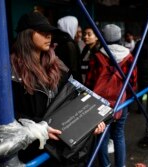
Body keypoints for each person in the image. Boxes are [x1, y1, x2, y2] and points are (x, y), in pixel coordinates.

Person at [10, 12, 105, 166]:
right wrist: (38, 128)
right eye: (42, 32)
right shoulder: (11, 70)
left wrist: (90, 120)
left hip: (62, 146)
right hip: (36, 150)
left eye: (50, 33)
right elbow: (7, 115)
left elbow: (73, 98)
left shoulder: (56, 64)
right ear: (26, 35)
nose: (49, 36)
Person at [85, 24, 137, 167]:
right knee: (119, 135)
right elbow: (133, 82)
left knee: (102, 136)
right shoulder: (129, 56)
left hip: (100, 104)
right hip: (121, 102)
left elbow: (90, 82)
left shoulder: (97, 56)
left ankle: (105, 165)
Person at [54, 15, 82, 82]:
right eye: (75, 26)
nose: (76, 29)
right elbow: (73, 68)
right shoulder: (69, 44)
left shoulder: (59, 41)